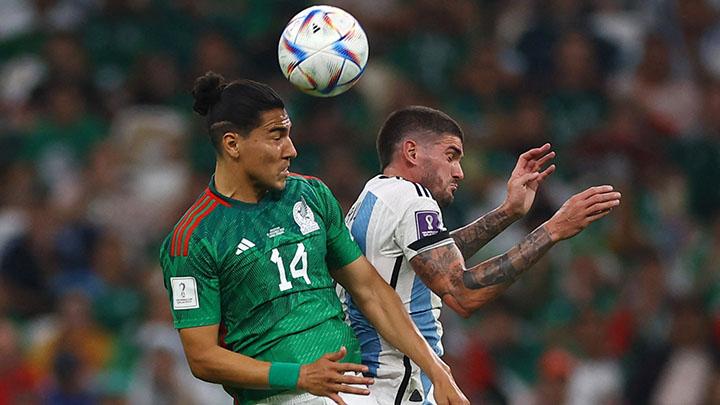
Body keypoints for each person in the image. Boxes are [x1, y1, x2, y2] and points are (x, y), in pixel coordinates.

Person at [158, 73, 468, 405]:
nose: (290, 149)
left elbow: (372, 291)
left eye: (288, 134)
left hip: (353, 389)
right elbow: (202, 357)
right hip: (281, 397)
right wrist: (300, 376)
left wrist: (437, 371)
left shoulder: (310, 195)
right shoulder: (193, 239)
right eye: (276, 136)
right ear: (233, 144)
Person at [340, 106, 622, 404]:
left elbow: (436, 258)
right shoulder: (413, 199)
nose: (459, 171)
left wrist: (508, 212)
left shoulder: (371, 198)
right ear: (411, 152)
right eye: (451, 155)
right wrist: (552, 230)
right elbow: (462, 293)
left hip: (370, 386)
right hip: (396, 388)